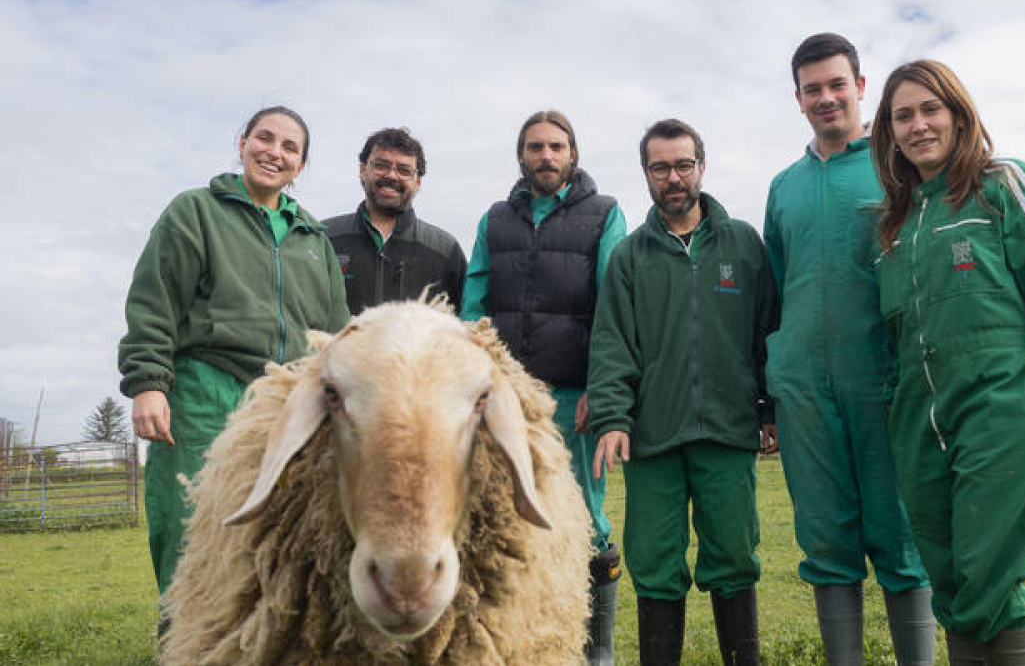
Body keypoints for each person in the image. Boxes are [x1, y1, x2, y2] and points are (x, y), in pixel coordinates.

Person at [869, 60, 1025, 665]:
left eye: (929, 109)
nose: (918, 125)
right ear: (888, 133)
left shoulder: (1002, 185)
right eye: (903, 116)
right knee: (948, 577)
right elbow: (895, 335)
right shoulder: (895, 226)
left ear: (957, 112)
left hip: (1003, 407)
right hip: (922, 423)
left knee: (989, 571)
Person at [118, 106, 350, 605]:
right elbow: (155, 299)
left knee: (284, 531)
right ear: (242, 143)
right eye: (265, 138)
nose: (275, 152)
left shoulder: (314, 238)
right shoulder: (195, 211)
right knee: (191, 527)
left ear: (301, 166)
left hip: (286, 402)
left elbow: (336, 331)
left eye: (290, 148)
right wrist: (147, 383)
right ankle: (186, 644)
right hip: (205, 390)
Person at [763, 33, 935, 666]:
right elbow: (776, 290)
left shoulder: (900, 170)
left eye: (838, 84)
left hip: (886, 380)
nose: (827, 97)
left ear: (861, 88)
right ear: (799, 99)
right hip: (805, 386)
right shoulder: (783, 188)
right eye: (813, 89)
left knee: (898, 531)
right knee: (826, 537)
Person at [589, 118, 778, 666]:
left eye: (683, 164)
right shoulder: (629, 257)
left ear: (701, 166)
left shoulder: (743, 244)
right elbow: (611, 345)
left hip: (728, 427)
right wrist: (613, 417)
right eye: (660, 167)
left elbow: (767, 332)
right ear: (646, 174)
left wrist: (769, 408)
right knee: (653, 560)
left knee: (735, 556)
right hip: (654, 433)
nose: (673, 177)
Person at [460, 110, 627, 666]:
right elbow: (473, 309)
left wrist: (599, 388)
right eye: (535, 147)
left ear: (573, 155)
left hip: (574, 394)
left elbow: (613, 306)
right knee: (503, 512)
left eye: (556, 146)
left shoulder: (605, 214)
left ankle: (595, 650)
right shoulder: (494, 220)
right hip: (504, 398)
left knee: (585, 518)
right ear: (522, 156)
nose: (546, 156)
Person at [324, 127, 467, 314]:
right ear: (363, 170)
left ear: (418, 182)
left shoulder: (445, 250)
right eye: (381, 165)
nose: (391, 175)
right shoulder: (324, 238)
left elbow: (466, 321)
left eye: (404, 170)